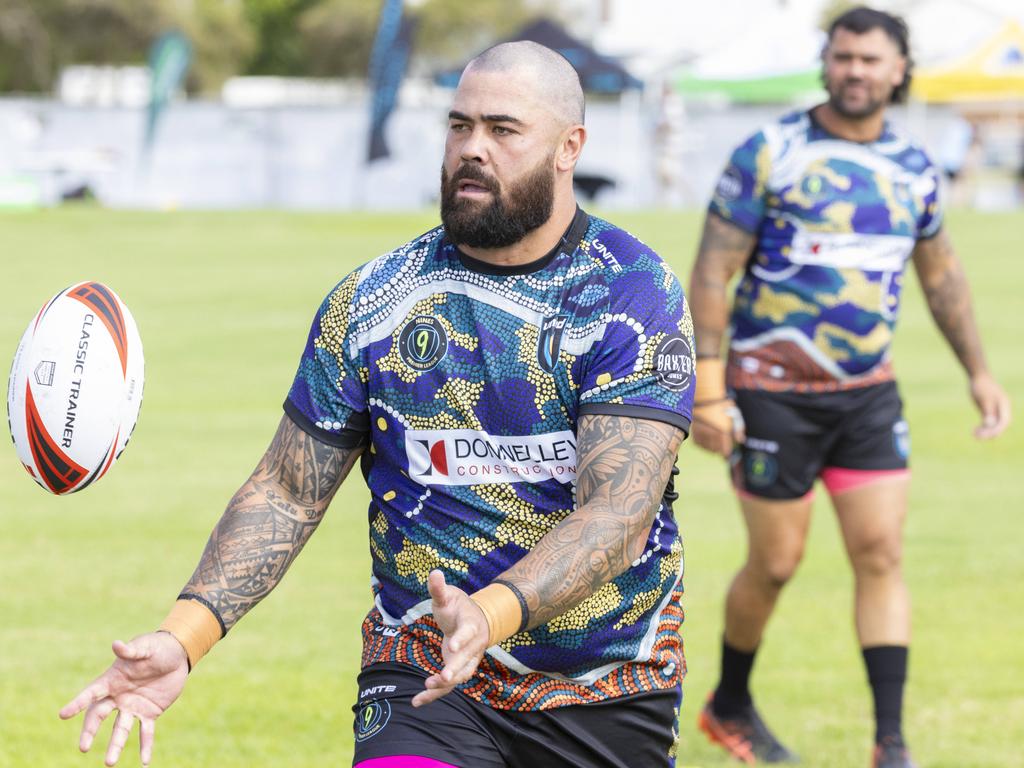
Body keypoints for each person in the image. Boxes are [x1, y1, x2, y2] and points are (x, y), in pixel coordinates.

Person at [60, 41, 696, 768]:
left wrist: (488, 616)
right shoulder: (372, 301)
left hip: (607, 684)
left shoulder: (631, 296)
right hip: (422, 674)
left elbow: (619, 512)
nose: (472, 149)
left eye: (502, 129)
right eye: (459, 126)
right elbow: (287, 491)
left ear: (568, 147)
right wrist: (184, 636)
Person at [687, 7, 1011, 768]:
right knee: (775, 564)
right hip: (771, 392)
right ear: (826, 63)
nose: (855, 71)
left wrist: (980, 373)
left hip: (867, 394)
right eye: (842, 57)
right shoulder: (772, 151)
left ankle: (890, 744)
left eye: (870, 59)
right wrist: (707, 389)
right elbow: (710, 268)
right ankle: (730, 701)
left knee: (881, 553)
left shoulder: (913, 169)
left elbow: (943, 279)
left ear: (900, 69)